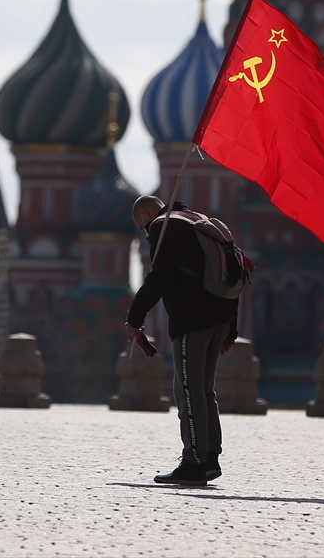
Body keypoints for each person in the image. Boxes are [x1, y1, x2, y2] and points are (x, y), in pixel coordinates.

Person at [125, 195, 238, 486]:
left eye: (142, 226)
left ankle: (193, 462)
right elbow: (231, 273)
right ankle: (210, 458)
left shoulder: (165, 226)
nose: (146, 233)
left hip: (192, 320)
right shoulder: (201, 222)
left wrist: (135, 318)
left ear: (147, 214)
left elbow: (158, 277)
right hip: (219, 318)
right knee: (203, 390)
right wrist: (231, 329)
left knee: (187, 390)